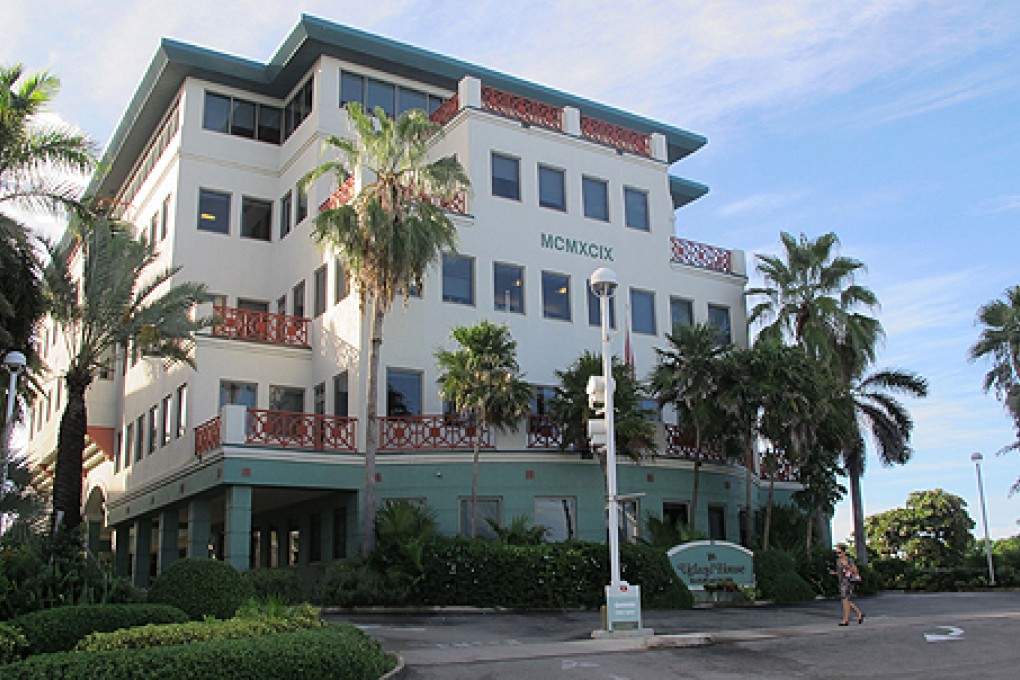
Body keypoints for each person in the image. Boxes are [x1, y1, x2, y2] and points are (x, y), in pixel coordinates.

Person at [832, 544, 864, 626]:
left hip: (848, 581)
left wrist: (847, 567)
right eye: (837, 553)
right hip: (842, 581)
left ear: (844, 552)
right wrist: (834, 573)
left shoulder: (849, 560)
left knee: (845, 600)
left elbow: (855, 570)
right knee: (846, 601)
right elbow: (839, 572)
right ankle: (859, 614)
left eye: (839, 552)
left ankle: (845, 620)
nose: (838, 555)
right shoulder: (838, 561)